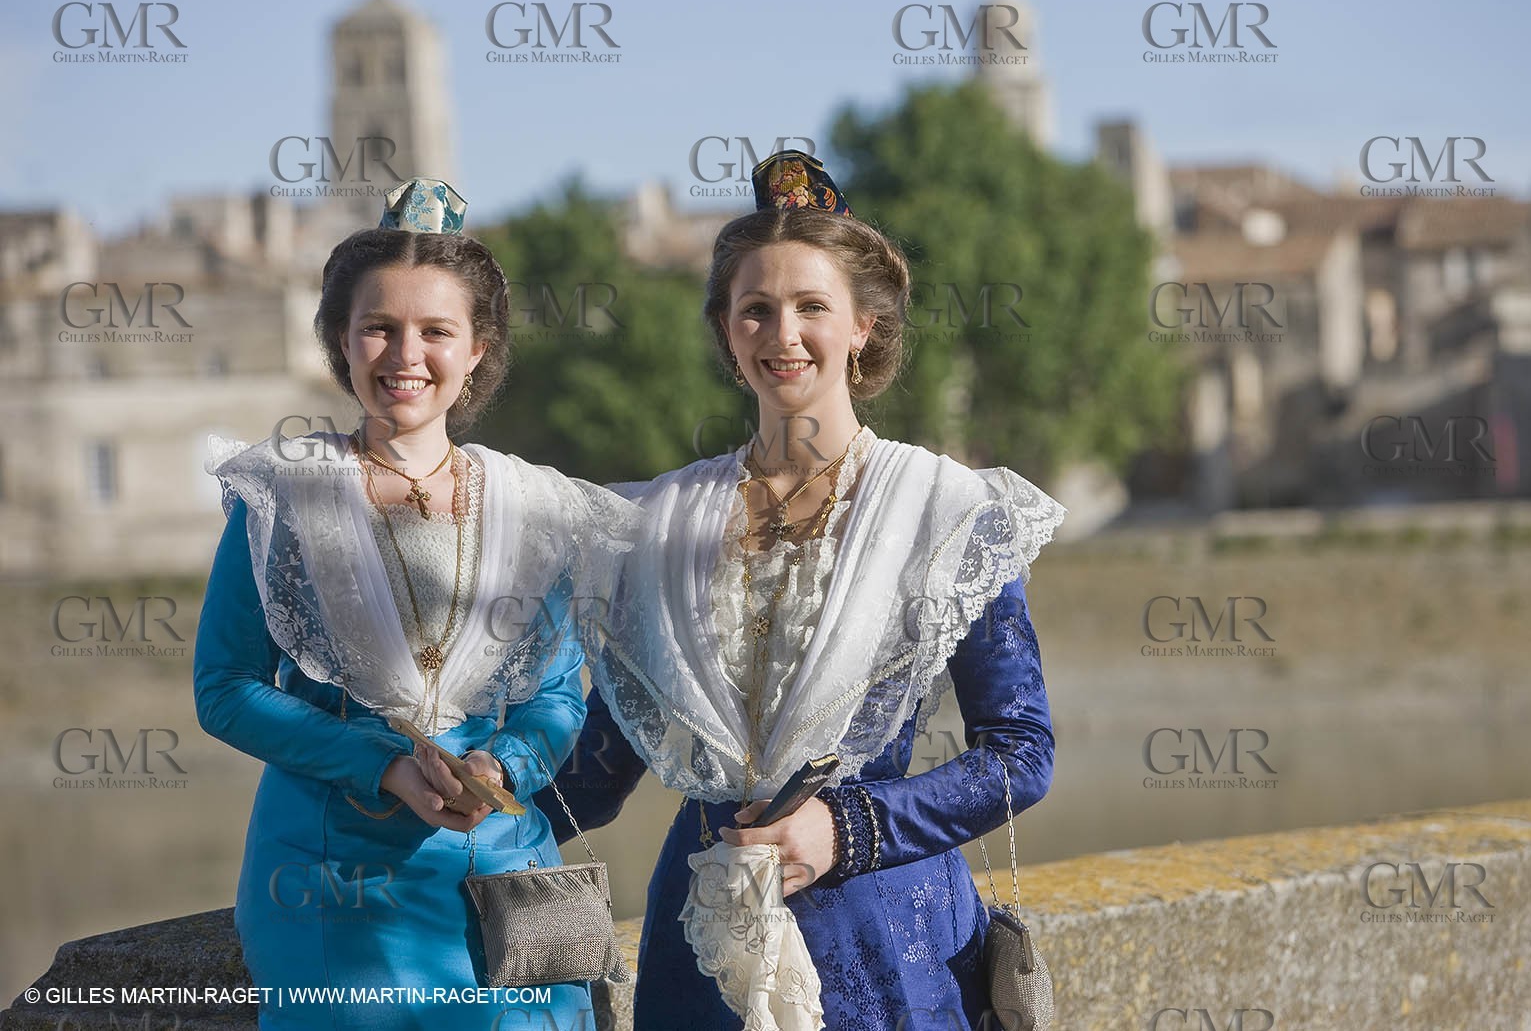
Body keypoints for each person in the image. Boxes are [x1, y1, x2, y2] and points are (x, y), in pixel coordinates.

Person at [539, 153, 1064, 1031]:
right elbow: (606, 760)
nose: (784, 333)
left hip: (889, 939)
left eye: (812, 306)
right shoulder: (661, 523)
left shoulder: (946, 513)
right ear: (728, 332)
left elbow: (1020, 754)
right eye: (757, 309)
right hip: (701, 941)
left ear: (863, 324)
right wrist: (462, 814)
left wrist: (846, 829)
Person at [193, 178, 635, 1030]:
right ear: (340, 342)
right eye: (378, 328)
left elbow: (552, 695)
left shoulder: (530, 507)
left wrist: (500, 766)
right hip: (333, 880)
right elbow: (226, 686)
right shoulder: (283, 495)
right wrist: (383, 765)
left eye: (436, 330)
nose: (406, 354)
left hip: (503, 870)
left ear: (476, 350)